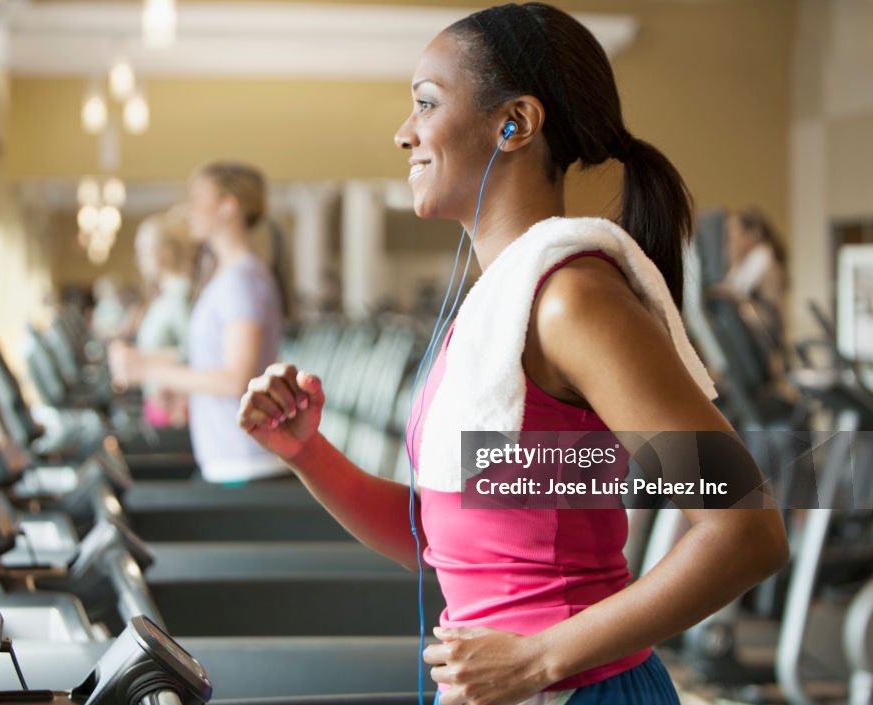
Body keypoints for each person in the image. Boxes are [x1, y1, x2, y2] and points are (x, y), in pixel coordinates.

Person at [237, 4, 788, 705]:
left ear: (515, 124)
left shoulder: (571, 301)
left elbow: (746, 528)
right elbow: (444, 542)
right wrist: (308, 451)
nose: (403, 134)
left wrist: (537, 659)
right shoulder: (495, 311)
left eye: (426, 104)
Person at [110, 161, 288, 483]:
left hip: (244, 461)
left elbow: (237, 379)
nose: (189, 209)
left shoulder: (242, 281)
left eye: (197, 198)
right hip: (225, 457)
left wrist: (150, 371)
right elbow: (216, 364)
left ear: (227, 207)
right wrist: (182, 389)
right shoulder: (226, 277)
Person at [130, 211, 194, 428]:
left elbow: (194, 352)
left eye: (144, 251)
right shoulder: (165, 295)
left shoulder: (181, 295)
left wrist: (140, 362)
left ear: (167, 252)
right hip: (158, 400)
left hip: (174, 407)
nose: (138, 259)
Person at [721, 207, 789, 355]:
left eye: (733, 234)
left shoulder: (766, 265)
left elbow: (771, 315)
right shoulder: (743, 265)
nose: (730, 240)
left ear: (752, 235)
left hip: (764, 343)